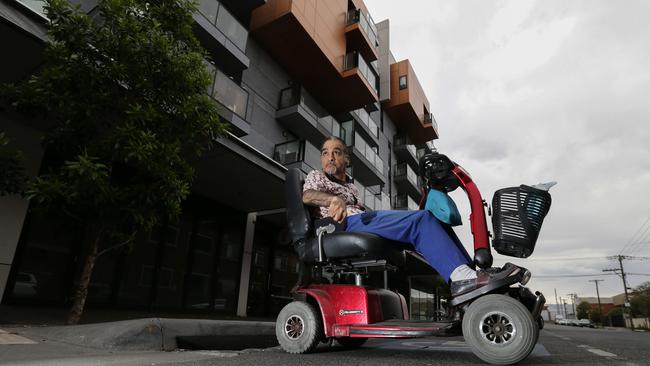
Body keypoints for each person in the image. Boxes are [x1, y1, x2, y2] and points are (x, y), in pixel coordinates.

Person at [302, 136, 516, 297]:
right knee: (420, 220)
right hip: (340, 226)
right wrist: (332, 200)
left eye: (336, 152)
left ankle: (471, 272)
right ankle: (461, 278)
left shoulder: (351, 187)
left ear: (346, 159)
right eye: (325, 152)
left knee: (431, 220)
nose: (330, 157)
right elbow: (307, 196)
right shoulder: (316, 177)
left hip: (361, 220)